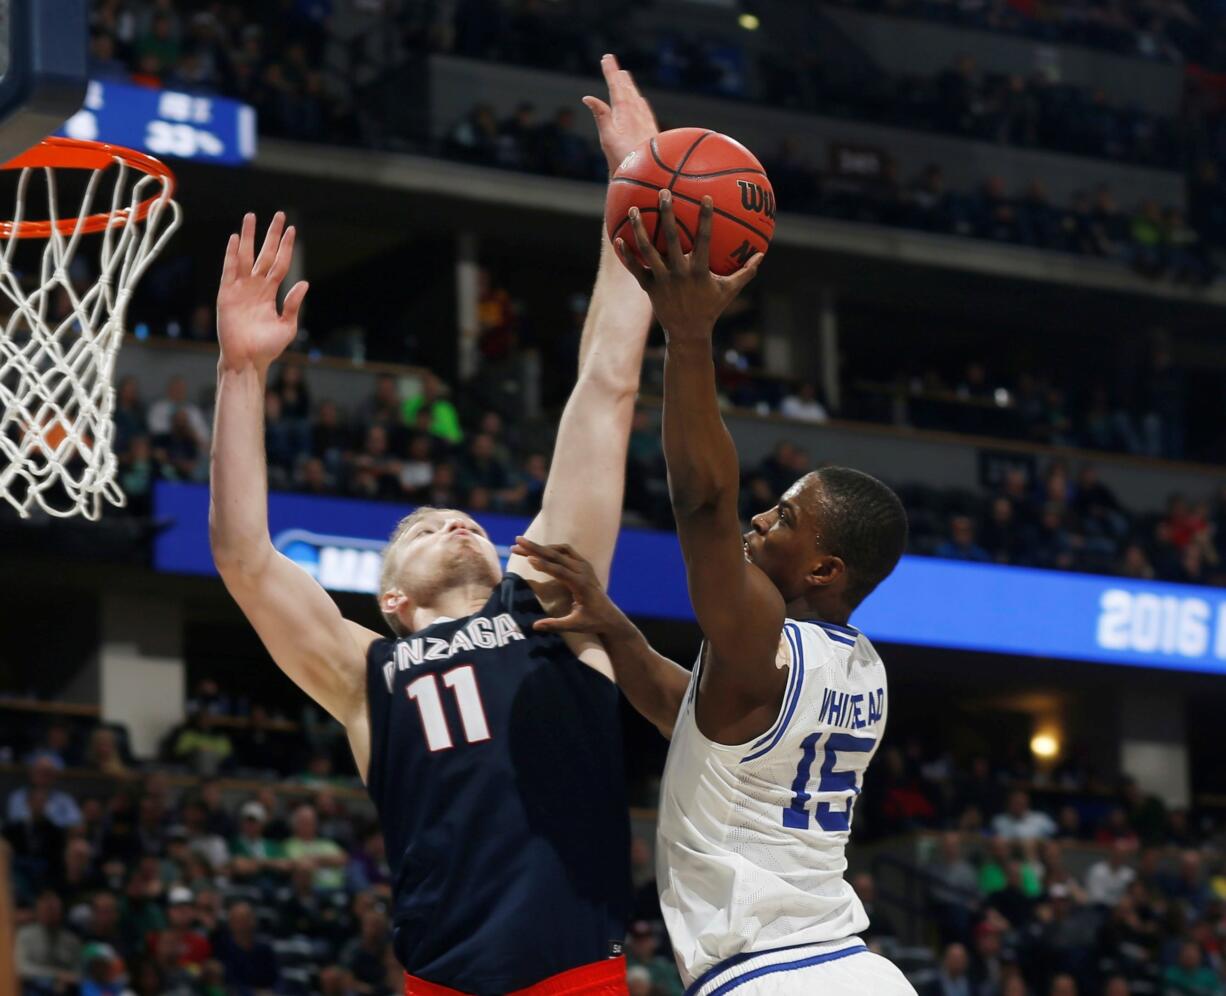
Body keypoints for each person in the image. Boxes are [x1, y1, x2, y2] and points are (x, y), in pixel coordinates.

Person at [208, 53, 656, 995]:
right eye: (417, 526)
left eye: (456, 516)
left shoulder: (553, 595)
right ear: (392, 599)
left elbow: (607, 387)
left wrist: (633, 190)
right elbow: (245, 556)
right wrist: (240, 374)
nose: (448, 518)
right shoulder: (365, 671)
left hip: (575, 973)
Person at [514, 189, 914, 993]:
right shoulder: (860, 670)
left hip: (773, 975)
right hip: (852, 968)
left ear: (823, 570)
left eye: (788, 518)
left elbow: (702, 503)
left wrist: (689, 336)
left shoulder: (763, 634)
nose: (762, 517)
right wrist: (617, 632)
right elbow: (698, 722)